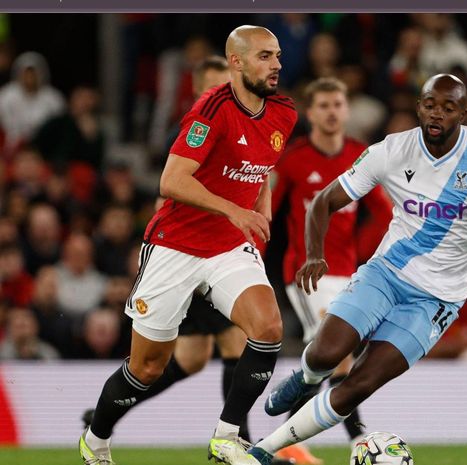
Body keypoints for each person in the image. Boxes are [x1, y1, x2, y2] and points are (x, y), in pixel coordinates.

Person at [244, 73, 467, 465]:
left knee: (358, 384)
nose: (437, 114)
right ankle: (308, 376)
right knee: (327, 353)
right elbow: (324, 201)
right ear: (419, 107)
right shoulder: (391, 150)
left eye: (448, 108)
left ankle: (263, 449)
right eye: (430, 105)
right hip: (385, 274)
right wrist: (314, 253)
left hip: (437, 300)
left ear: (463, 114)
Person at [79, 25, 297, 465]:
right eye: (264, 56)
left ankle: (227, 436)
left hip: (228, 248)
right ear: (235, 61)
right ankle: (96, 437)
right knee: (146, 368)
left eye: (276, 56)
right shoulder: (210, 110)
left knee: (268, 328)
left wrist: (261, 201)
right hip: (175, 246)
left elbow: (262, 164)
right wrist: (233, 209)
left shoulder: (285, 112)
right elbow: (171, 181)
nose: (275, 64)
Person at [266, 76, 393, 464]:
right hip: (304, 274)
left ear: (347, 109)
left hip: (348, 273)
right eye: (323, 105)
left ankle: (289, 440)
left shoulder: (360, 157)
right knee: (333, 356)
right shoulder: (293, 159)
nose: (332, 111)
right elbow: (266, 211)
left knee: (335, 361)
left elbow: (387, 214)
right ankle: (354, 438)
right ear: (310, 112)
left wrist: (369, 254)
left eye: (338, 104)